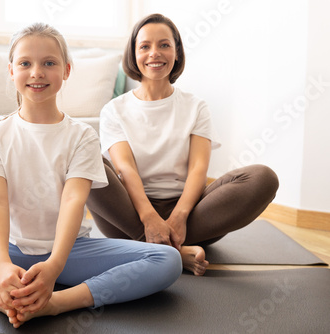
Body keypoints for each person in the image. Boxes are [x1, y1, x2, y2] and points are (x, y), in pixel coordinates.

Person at [0, 22, 182, 329]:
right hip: (10, 249)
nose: (37, 72)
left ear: (67, 70)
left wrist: (55, 266)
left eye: (49, 63)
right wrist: (1, 265)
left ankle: (55, 303)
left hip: (70, 253)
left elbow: (73, 201)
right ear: (11, 70)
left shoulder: (82, 136)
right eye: (25, 63)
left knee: (167, 261)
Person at [86, 13, 279, 276]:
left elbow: (198, 170)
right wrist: (149, 218)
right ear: (134, 54)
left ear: (176, 52)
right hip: (130, 213)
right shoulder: (114, 110)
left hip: (190, 215)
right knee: (82, 156)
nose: (155, 53)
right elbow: (126, 170)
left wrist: (179, 217)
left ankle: (153, 248)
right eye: (145, 46)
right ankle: (173, 250)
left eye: (164, 45)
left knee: (263, 178)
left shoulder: (196, 106)